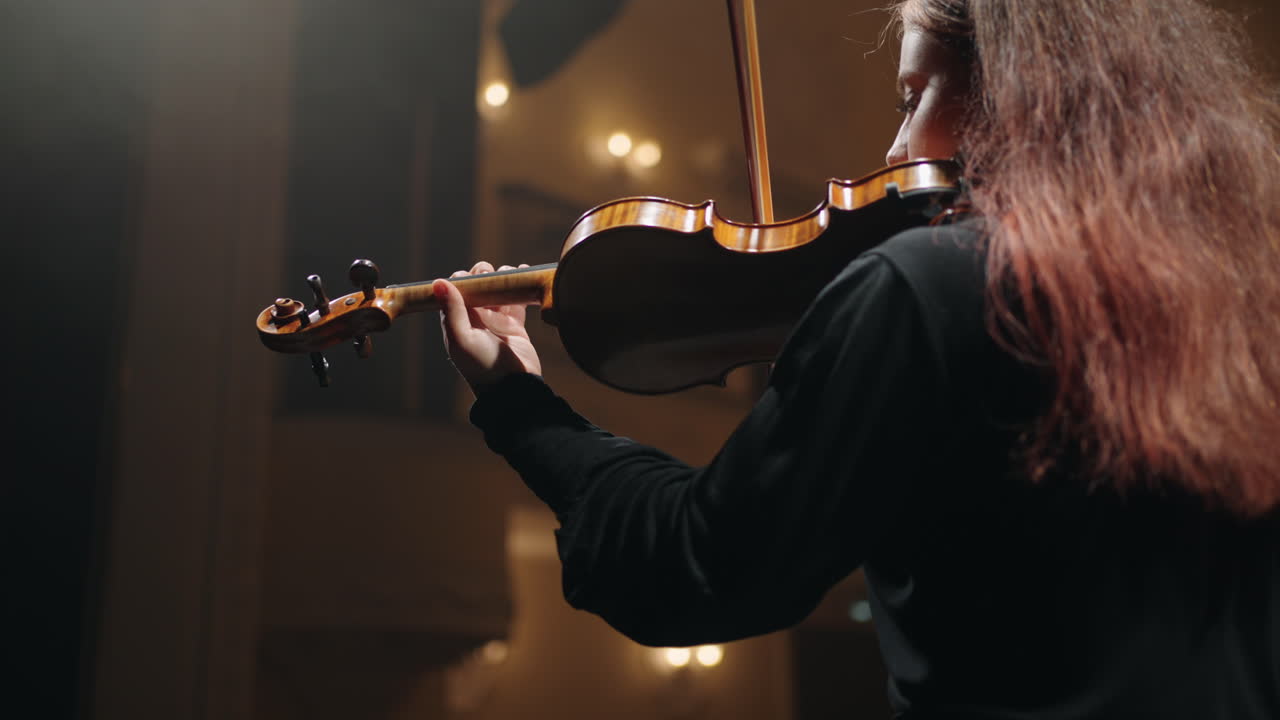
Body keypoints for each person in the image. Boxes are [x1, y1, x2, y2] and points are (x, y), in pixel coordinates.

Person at [432, 0, 1280, 717]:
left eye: (914, 96)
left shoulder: (931, 288)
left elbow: (696, 566)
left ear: (1018, 90)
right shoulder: (1240, 307)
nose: (893, 147)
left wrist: (519, 402)